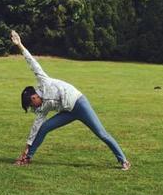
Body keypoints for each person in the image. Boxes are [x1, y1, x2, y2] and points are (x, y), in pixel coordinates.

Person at [9, 29, 130, 170]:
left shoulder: (43, 81)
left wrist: (20, 45)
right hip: (68, 112)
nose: (33, 107)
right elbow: (36, 127)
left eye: (31, 103)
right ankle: (27, 158)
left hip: (79, 104)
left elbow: (32, 62)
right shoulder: (41, 108)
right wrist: (27, 147)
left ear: (34, 95)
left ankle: (124, 161)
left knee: (101, 133)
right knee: (44, 128)